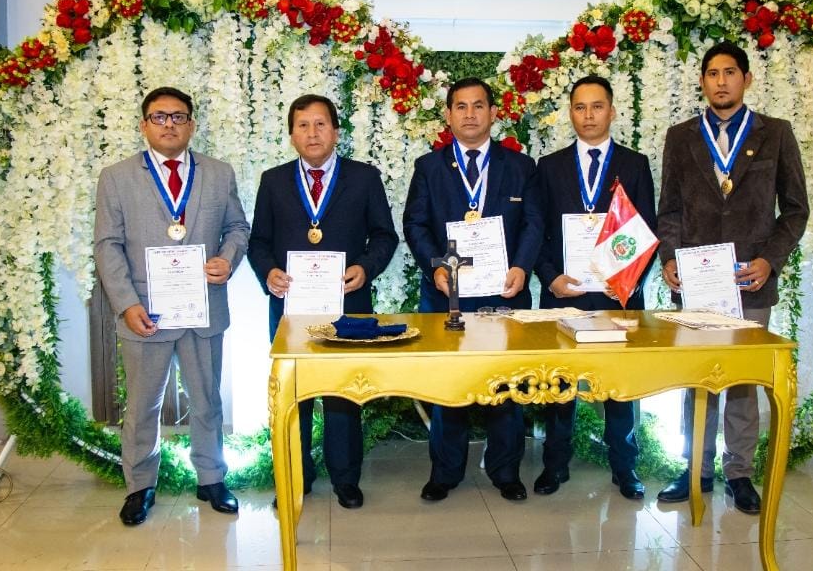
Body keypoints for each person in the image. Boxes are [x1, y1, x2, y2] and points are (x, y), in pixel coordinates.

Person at [655, 41, 809, 514]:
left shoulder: (775, 133)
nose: (720, 81)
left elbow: (796, 210)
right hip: (697, 283)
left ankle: (739, 473)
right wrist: (669, 258)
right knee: (696, 378)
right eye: (712, 73)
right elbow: (670, 210)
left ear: (747, 79)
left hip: (749, 281)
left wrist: (770, 260)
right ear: (702, 81)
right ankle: (695, 469)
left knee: (743, 382)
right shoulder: (681, 136)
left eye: (729, 72)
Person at [94, 86, 250, 526]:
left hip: (202, 308)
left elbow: (238, 227)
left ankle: (212, 477)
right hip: (145, 313)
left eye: (178, 117)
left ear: (192, 125)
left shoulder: (218, 173)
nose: (169, 125)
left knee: (207, 400)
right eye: (159, 117)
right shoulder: (116, 177)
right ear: (144, 125)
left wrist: (227, 259)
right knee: (142, 405)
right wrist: (126, 304)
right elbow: (107, 245)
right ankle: (139, 485)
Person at [248, 94, 398, 510]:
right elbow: (258, 242)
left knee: (343, 393)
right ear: (291, 135)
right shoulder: (273, 181)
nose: (312, 133)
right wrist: (268, 272)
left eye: (320, 124)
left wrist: (365, 267)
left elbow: (384, 235)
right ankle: (295, 476)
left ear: (335, 131)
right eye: (303, 125)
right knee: (294, 395)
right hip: (291, 308)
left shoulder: (364, 177)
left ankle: (346, 479)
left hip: (349, 304)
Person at [403, 77, 544, 503]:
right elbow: (415, 224)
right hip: (446, 294)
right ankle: (444, 472)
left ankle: (506, 471)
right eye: (460, 106)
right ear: (448, 115)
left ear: (493, 113)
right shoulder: (429, 167)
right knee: (448, 385)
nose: (469, 114)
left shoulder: (521, 166)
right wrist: (436, 267)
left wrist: (522, 267)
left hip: (504, 293)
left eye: (478, 106)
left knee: (506, 387)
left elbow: (534, 223)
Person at [533, 74, 656, 499]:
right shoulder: (549, 167)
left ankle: (625, 467)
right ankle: (554, 465)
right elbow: (537, 230)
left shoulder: (635, 165)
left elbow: (646, 231)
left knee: (621, 387)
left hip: (616, 296)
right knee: (558, 386)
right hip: (563, 294)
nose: (588, 115)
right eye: (580, 107)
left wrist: (624, 281)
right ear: (570, 113)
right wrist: (550, 276)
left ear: (612, 111)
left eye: (597, 106)